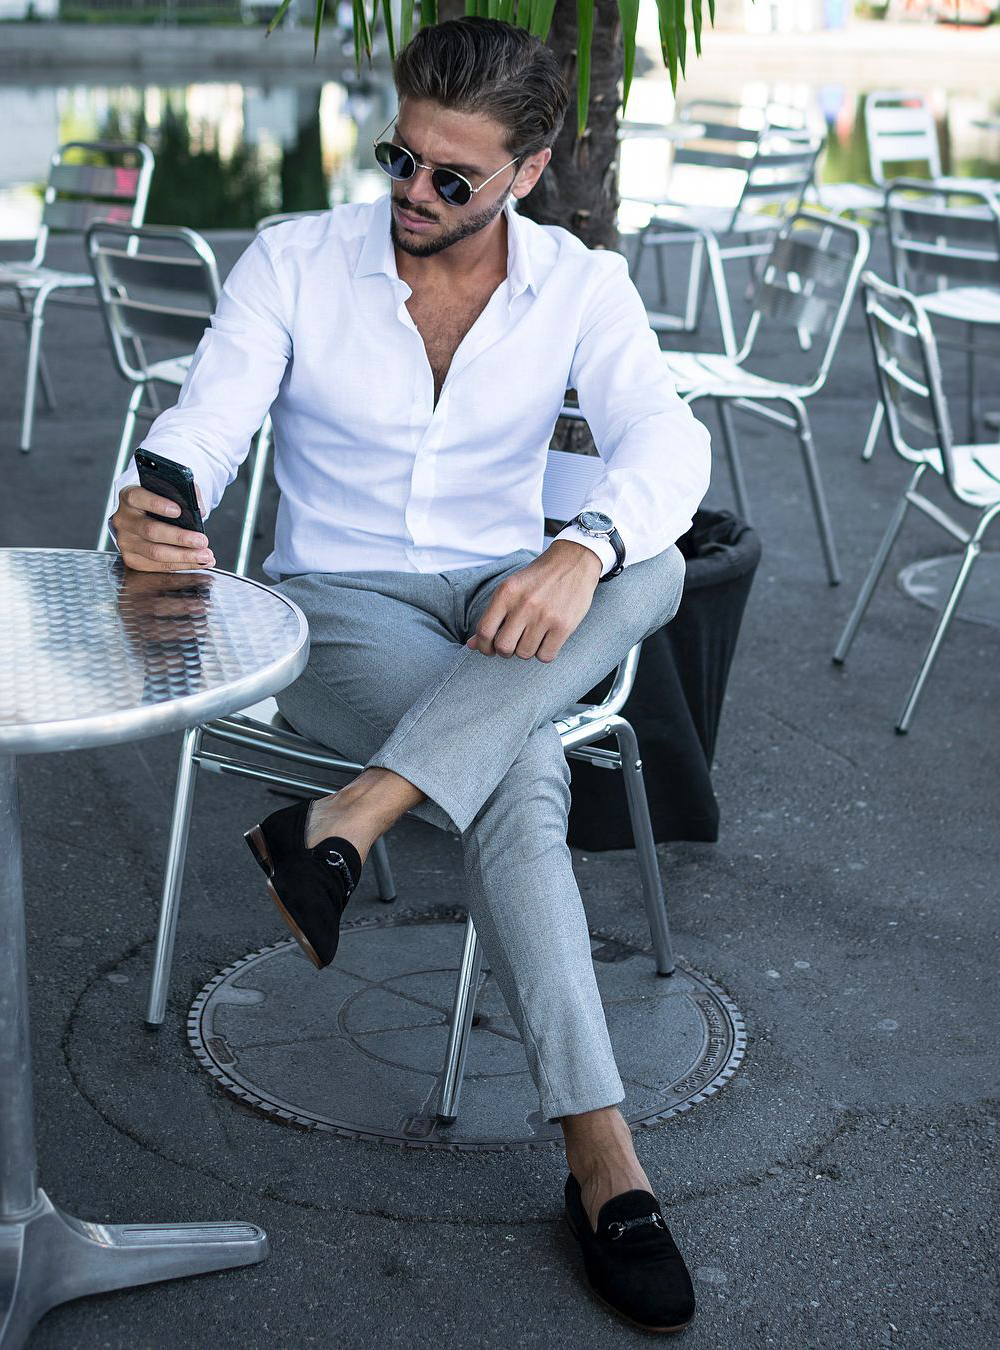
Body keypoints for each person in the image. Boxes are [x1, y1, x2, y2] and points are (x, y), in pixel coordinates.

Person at [110, 16, 711, 1333]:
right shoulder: (295, 261)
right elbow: (206, 418)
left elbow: (668, 443)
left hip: (508, 585)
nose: (412, 195)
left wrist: (581, 545)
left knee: (658, 564)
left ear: (529, 172)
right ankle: (605, 1161)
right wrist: (156, 503)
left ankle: (346, 823)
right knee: (521, 772)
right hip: (336, 601)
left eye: (454, 178)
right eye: (401, 159)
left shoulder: (579, 286)